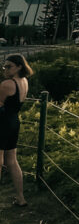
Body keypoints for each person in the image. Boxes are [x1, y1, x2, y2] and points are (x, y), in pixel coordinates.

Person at [0, 54, 32, 207]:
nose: (5, 69)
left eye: (9, 66)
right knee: (12, 161)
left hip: (2, 121)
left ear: (19, 67)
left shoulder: (7, 84)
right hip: (14, 121)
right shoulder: (24, 81)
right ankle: (21, 198)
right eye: (4, 66)